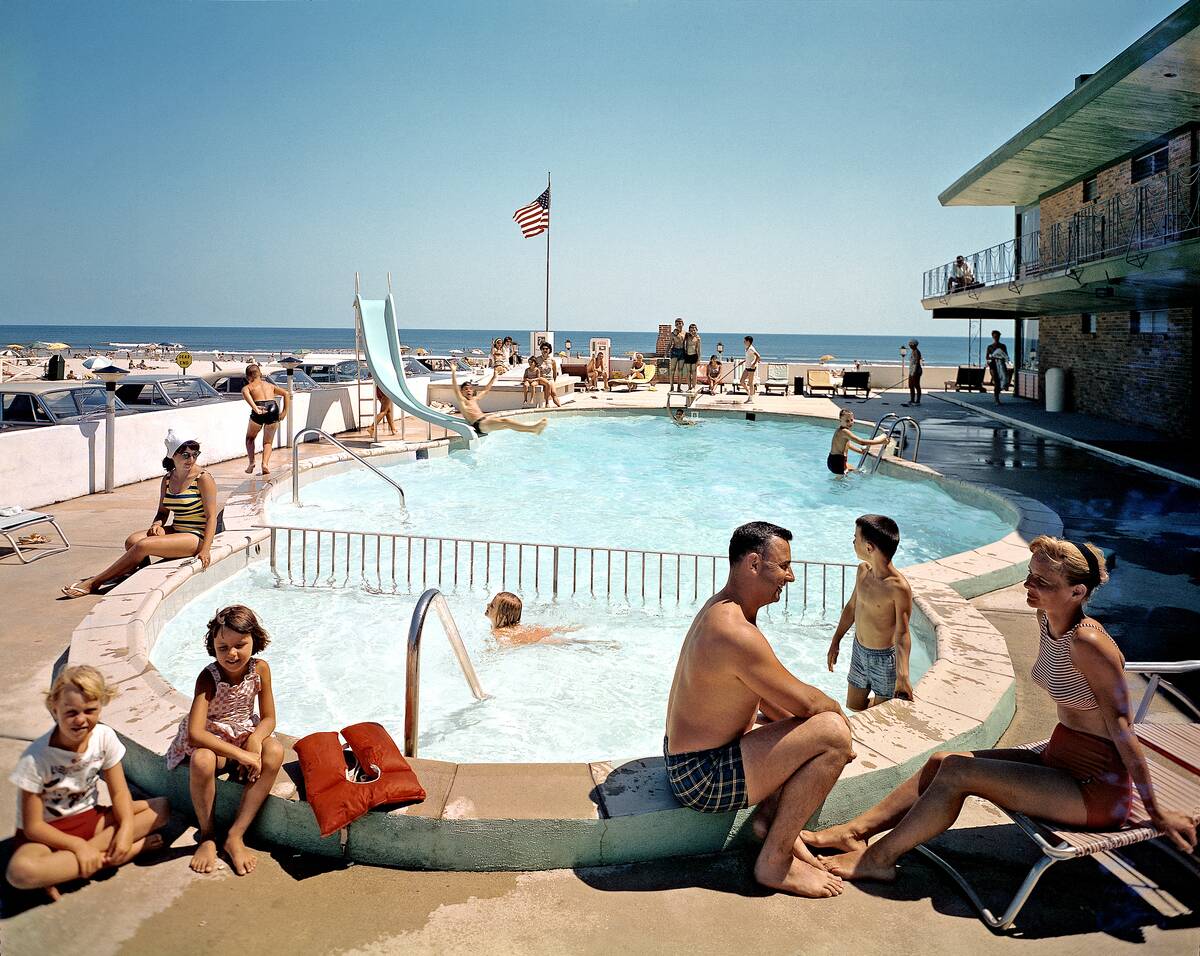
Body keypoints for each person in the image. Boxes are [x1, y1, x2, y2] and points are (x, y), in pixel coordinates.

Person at [808, 535, 1199, 882]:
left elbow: (1122, 728)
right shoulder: (1047, 618)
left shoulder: (1089, 644)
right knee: (941, 760)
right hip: (1060, 757)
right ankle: (854, 832)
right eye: (1030, 575)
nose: (1028, 586)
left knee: (957, 772)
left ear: (1078, 592)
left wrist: (1156, 811)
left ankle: (879, 858)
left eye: (1042, 582)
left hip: (1094, 787)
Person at [665, 522, 855, 897]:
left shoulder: (720, 608)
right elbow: (807, 702)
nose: (791, 576)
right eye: (783, 566)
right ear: (753, 564)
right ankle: (775, 861)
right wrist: (841, 724)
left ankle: (770, 822)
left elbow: (771, 699)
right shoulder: (735, 630)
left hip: (687, 762)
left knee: (794, 725)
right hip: (702, 778)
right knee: (832, 733)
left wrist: (800, 729)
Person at [6, 666, 169, 901]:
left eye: (90, 710)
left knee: (160, 808)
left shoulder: (104, 737)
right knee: (20, 872)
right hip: (47, 834)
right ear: (54, 707)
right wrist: (79, 847)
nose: (81, 720)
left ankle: (66, 870)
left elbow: (120, 793)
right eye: (71, 712)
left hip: (90, 819)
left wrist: (124, 830)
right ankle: (122, 854)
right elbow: (33, 827)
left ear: (101, 706)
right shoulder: (36, 758)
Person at [165, 605, 284, 876]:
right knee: (202, 759)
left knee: (274, 751)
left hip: (244, 732)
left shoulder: (260, 669)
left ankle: (235, 835)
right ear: (213, 647)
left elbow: (269, 718)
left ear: (254, 639)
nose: (232, 654)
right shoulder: (208, 677)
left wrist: (255, 741)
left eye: (240, 645)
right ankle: (208, 835)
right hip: (214, 738)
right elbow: (196, 733)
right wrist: (242, 755)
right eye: (223, 648)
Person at [61, 435, 217, 598]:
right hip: (177, 529)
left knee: (143, 545)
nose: (191, 459)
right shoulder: (168, 479)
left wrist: (205, 550)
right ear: (172, 455)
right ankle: (139, 573)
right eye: (186, 455)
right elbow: (163, 512)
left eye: (195, 454)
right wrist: (156, 525)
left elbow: (212, 517)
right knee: (132, 541)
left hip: (197, 536)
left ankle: (95, 582)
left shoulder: (203, 478)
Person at [825, 515, 914, 709]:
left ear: (869, 548)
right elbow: (851, 608)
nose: (853, 541)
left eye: (855, 537)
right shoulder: (863, 571)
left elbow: (903, 633)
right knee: (854, 707)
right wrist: (836, 640)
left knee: (881, 715)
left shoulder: (899, 588)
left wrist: (903, 674)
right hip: (859, 651)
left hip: (884, 659)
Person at [450, 366, 546, 435]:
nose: (468, 390)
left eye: (470, 388)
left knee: (508, 425)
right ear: (462, 392)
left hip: (486, 420)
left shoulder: (474, 399)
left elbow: (486, 390)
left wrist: (494, 377)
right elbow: (455, 388)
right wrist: (453, 372)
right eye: (466, 389)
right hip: (480, 425)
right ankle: (533, 428)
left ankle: (533, 430)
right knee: (505, 421)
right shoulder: (463, 401)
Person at [241, 363, 289, 476]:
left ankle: (252, 463)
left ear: (248, 377)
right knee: (268, 442)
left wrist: (255, 408)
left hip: (259, 406)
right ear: (260, 374)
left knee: (250, 438)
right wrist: (284, 413)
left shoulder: (249, 386)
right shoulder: (269, 385)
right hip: (273, 407)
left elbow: (244, 392)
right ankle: (265, 464)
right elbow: (286, 393)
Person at [485, 591, 580, 647]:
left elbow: (505, 646)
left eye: (492, 606)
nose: (488, 605)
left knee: (573, 641)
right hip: (539, 634)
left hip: (543, 641)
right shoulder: (516, 627)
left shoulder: (498, 633)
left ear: (504, 616)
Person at [827, 409, 889, 475]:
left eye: (851, 420)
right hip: (838, 462)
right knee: (847, 480)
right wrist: (881, 441)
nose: (850, 423)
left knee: (855, 471)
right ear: (840, 421)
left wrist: (860, 451)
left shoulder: (839, 431)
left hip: (832, 460)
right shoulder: (845, 432)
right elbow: (861, 442)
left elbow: (847, 445)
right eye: (847, 421)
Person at [535, 342, 563, 408]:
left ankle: (560, 407)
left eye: (547, 349)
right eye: (543, 348)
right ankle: (547, 403)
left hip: (550, 378)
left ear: (549, 350)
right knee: (548, 384)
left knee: (554, 393)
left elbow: (555, 372)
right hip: (541, 378)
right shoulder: (537, 359)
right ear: (541, 350)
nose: (545, 350)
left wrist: (554, 380)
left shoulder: (552, 360)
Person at [986, 330, 1010, 405]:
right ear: (992, 337)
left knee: (1003, 380)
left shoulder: (1003, 346)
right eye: (995, 336)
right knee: (996, 381)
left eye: (997, 336)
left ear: (999, 337)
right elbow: (987, 357)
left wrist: (1001, 357)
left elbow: (1006, 356)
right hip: (993, 365)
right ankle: (996, 399)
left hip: (1001, 365)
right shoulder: (990, 347)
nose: (996, 338)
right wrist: (992, 357)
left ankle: (998, 393)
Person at [668, 318, 686, 392]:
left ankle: (679, 387)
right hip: (675, 351)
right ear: (675, 325)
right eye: (677, 324)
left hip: (682, 351)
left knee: (680, 371)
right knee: (672, 370)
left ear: (683, 324)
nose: (679, 325)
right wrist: (666, 352)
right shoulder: (673, 333)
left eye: (680, 323)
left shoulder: (685, 333)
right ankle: (671, 386)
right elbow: (670, 344)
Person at [902, 339, 922, 407]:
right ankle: (912, 399)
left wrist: (915, 372)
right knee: (911, 385)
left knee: (916, 385)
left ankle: (918, 400)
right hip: (911, 370)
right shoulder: (913, 351)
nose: (909, 345)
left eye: (910, 344)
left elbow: (917, 363)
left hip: (916, 371)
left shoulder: (917, 352)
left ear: (914, 345)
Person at [740, 336, 760, 403]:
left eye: (745, 340)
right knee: (742, 381)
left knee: (750, 383)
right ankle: (749, 393)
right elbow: (749, 357)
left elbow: (758, 356)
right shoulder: (747, 348)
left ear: (748, 341)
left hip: (751, 368)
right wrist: (743, 361)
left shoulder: (751, 348)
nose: (744, 342)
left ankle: (751, 399)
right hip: (747, 367)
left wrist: (754, 364)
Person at [683, 323, 702, 391]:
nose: (693, 332)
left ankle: (694, 387)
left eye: (694, 330)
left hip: (694, 356)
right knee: (688, 372)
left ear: (696, 330)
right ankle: (689, 387)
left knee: (694, 372)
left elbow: (699, 350)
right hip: (687, 355)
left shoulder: (698, 338)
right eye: (691, 330)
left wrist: (699, 359)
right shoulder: (687, 336)